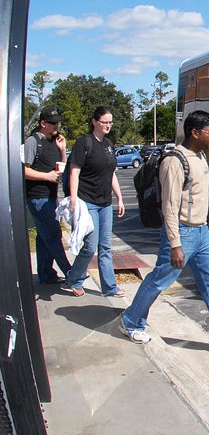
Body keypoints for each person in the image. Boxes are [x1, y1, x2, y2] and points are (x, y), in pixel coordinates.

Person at [120, 110, 209, 351]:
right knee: (159, 281)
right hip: (183, 233)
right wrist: (175, 243)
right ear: (195, 132)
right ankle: (131, 322)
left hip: (202, 232)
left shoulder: (200, 156)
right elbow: (170, 206)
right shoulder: (175, 161)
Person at [65, 106, 125, 297]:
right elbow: (74, 171)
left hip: (105, 203)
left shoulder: (108, 144)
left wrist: (120, 198)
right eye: (104, 122)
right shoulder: (84, 142)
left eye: (110, 122)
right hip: (87, 202)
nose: (108, 125)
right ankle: (75, 277)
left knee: (105, 247)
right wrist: (73, 198)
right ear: (94, 122)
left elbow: (111, 174)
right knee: (91, 246)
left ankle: (110, 287)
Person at [23, 106, 72, 284]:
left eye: (58, 123)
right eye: (53, 123)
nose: (56, 126)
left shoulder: (54, 142)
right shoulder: (33, 141)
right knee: (53, 234)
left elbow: (61, 168)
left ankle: (46, 274)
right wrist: (47, 176)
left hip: (51, 196)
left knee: (44, 237)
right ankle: (71, 273)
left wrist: (62, 150)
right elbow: (24, 171)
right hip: (37, 197)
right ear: (43, 123)